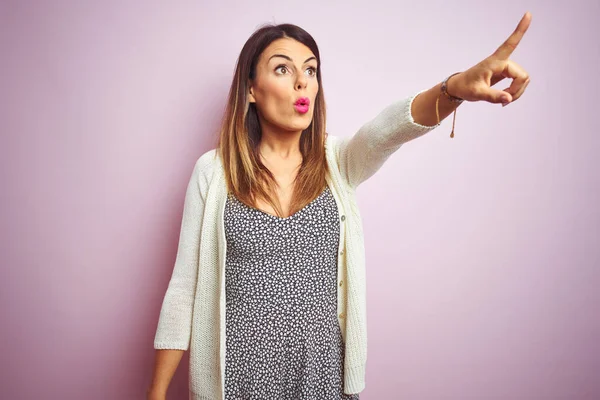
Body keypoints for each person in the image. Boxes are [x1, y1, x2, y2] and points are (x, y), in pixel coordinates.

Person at [147, 12, 531, 400]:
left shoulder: (338, 162)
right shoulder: (213, 173)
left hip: (322, 381)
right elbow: (184, 288)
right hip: (235, 384)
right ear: (251, 90)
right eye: (282, 69)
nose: (302, 80)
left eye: (311, 71)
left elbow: (385, 131)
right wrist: (157, 393)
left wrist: (454, 89)